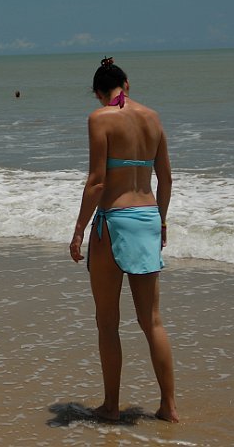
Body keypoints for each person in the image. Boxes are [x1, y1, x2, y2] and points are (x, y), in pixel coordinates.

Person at [68, 56, 179, 424]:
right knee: (153, 322)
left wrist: (80, 228)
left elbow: (97, 181)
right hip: (147, 217)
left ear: (100, 93)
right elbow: (165, 178)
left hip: (114, 222)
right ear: (126, 84)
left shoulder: (100, 118)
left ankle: (112, 406)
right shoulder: (153, 118)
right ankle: (168, 407)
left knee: (108, 322)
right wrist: (161, 221)